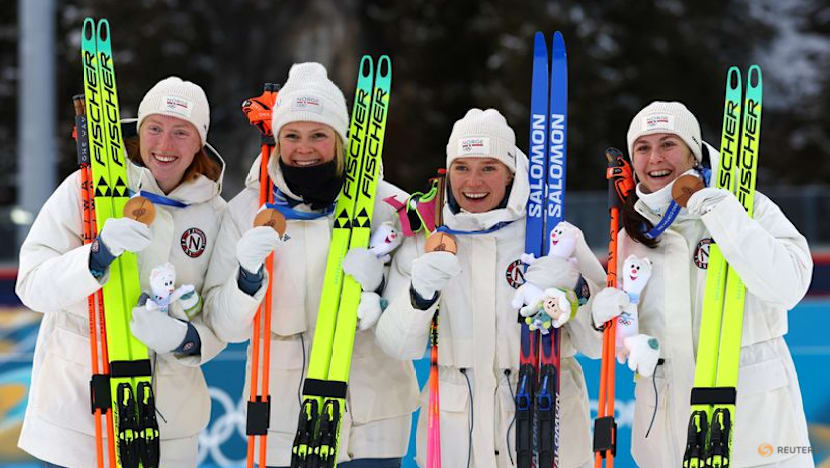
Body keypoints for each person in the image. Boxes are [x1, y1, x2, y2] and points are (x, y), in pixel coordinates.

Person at [202, 62, 418, 468]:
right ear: (278, 138)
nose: (305, 148)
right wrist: (247, 278)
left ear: (340, 139)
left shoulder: (388, 207)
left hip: (375, 411)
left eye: (319, 134)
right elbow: (225, 326)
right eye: (293, 135)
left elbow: (415, 307)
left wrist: (382, 298)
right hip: (283, 416)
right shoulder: (247, 210)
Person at [375, 108, 607, 468]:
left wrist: (572, 285)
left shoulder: (550, 233)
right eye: (462, 168)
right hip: (456, 426)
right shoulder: (427, 236)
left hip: (543, 417)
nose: (474, 182)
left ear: (511, 173)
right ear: (448, 171)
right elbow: (396, 344)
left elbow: (599, 344)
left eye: (488, 168)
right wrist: (419, 295)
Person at [16, 76, 227, 467]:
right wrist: (95, 257)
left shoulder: (216, 215)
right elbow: (30, 285)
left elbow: (221, 319)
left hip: (168, 431)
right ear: (138, 130)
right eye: (155, 128)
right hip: (76, 424)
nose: (165, 145)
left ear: (200, 142)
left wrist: (185, 339)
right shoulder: (87, 188)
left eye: (181, 132)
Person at [589, 101, 814, 467]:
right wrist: (601, 321)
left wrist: (723, 213)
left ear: (693, 151)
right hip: (666, 438)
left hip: (755, 434)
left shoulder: (748, 205)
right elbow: (623, 341)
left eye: (668, 144)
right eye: (642, 148)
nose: (655, 158)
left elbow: (788, 287)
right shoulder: (631, 228)